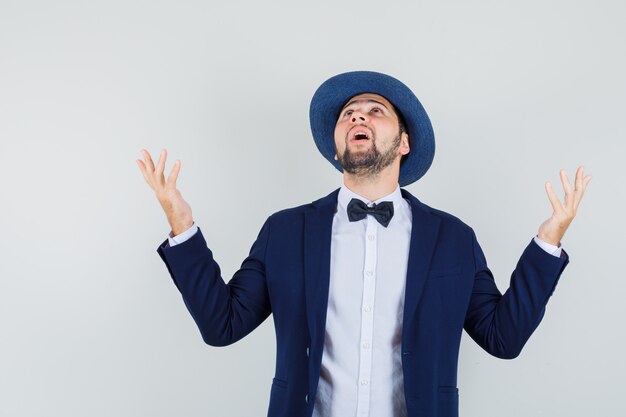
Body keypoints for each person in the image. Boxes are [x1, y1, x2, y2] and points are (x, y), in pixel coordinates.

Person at [136, 71, 591, 417]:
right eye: (349, 114)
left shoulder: (453, 238)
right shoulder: (285, 231)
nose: (358, 116)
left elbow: (502, 336)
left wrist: (548, 240)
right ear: (337, 145)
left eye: (376, 111)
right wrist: (182, 223)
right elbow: (223, 325)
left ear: (404, 142)